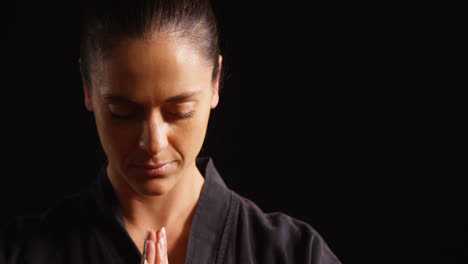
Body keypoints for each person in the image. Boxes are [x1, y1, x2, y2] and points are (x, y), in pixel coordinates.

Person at [0, 0, 341, 263]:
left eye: (179, 112)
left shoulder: (294, 253)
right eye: (123, 113)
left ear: (216, 82)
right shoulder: (22, 253)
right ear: (87, 87)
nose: (153, 142)